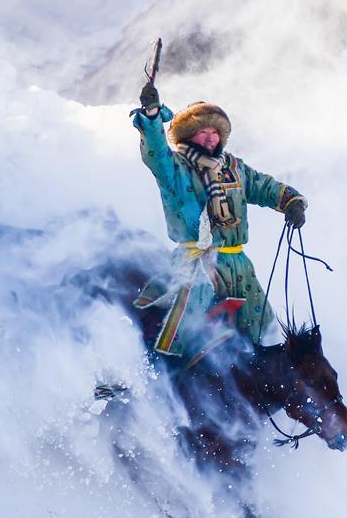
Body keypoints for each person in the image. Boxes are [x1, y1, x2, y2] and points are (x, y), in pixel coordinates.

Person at [132, 81, 307, 358]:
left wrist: (291, 202)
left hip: (238, 263)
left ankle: (266, 385)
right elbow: (155, 152)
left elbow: (263, 186)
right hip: (196, 263)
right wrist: (152, 116)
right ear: (189, 135)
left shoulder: (234, 167)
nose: (211, 138)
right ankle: (155, 371)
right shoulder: (175, 167)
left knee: (264, 328)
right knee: (181, 328)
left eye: (215, 132)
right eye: (203, 132)